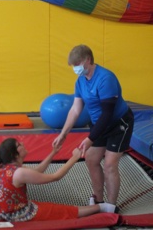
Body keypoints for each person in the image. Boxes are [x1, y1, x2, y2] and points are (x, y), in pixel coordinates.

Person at [52, 44, 134, 207]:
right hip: (99, 124)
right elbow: (75, 110)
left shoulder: (106, 78)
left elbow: (107, 114)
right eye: (73, 66)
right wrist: (63, 134)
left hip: (118, 123)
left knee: (110, 165)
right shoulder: (80, 81)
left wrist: (90, 139)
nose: (75, 69)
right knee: (91, 159)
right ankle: (98, 199)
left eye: (77, 64)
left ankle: (111, 205)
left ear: (88, 60)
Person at [0, 138, 118, 222]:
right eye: (19, 145)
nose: (23, 144)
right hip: (10, 215)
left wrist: (54, 152)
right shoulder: (19, 173)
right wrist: (75, 157)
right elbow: (55, 177)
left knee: (49, 207)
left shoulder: (6, 167)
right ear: (15, 154)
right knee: (61, 212)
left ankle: (96, 207)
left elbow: (37, 172)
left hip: (0, 209)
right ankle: (100, 207)